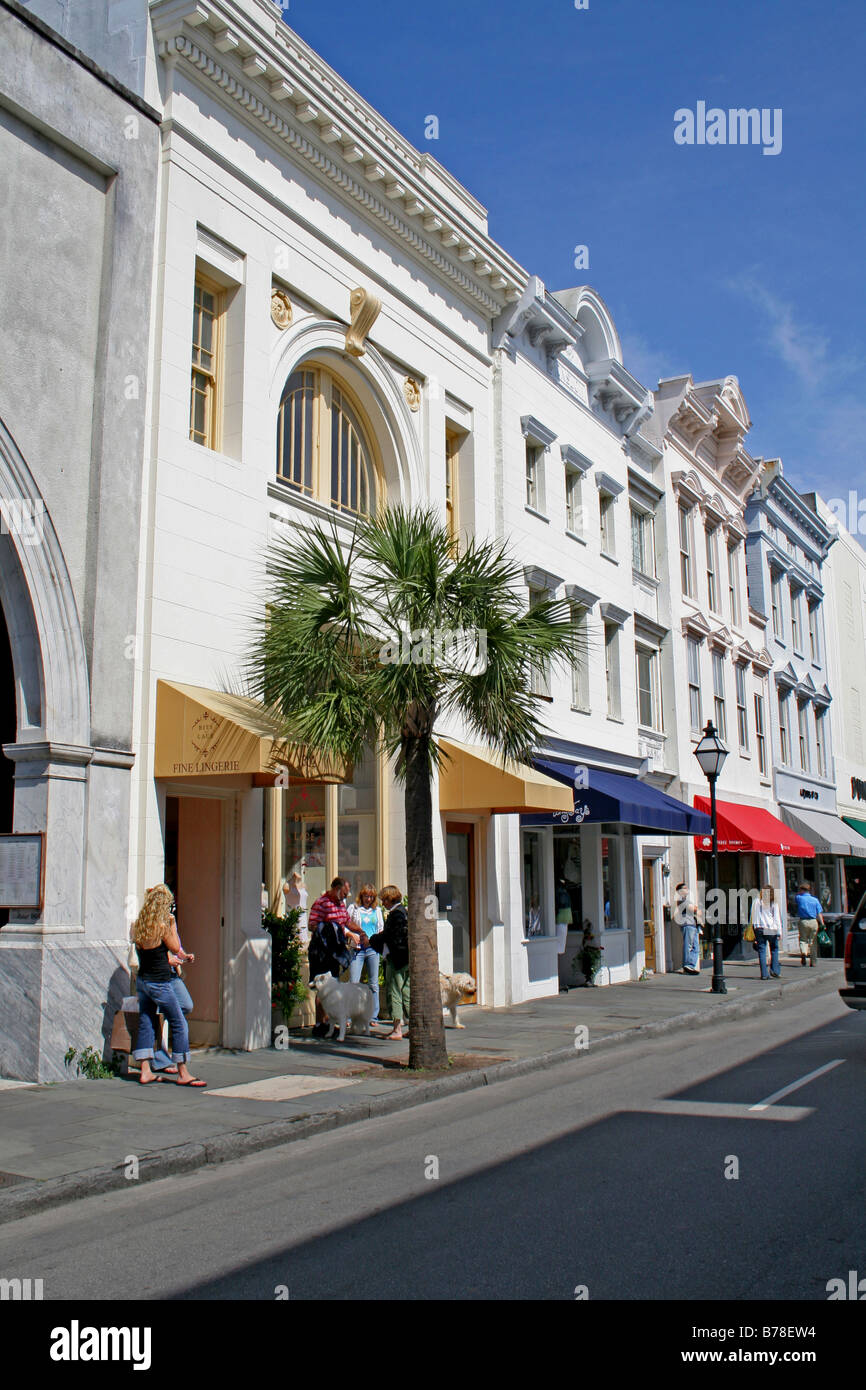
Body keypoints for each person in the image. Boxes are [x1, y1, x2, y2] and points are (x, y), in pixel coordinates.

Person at [131, 884, 205, 1087]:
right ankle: (183, 1072)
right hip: (159, 982)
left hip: (143, 981)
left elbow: (147, 952)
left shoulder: (138, 925)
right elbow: (174, 947)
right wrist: (173, 925)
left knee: (146, 1020)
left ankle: (145, 1070)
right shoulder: (162, 927)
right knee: (179, 1022)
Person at [307, 876, 363, 1038]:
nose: (345, 897)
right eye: (344, 893)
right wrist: (331, 929)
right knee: (322, 986)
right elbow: (312, 924)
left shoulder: (340, 904)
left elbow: (346, 921)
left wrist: (360, 931)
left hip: (335, 952)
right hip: (321, 950)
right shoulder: (321, 902)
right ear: (336, 889)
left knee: (334, 985)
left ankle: (330, 1022)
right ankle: (320, 1023)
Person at [370, 885, 409, 1040]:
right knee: (406, 991)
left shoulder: (396, 915)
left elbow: (390, 935)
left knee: (394, 991)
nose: (383, 903)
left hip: (396, 958)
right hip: (405, 958)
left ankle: (397, 1028)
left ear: (390, 898)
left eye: (384, 899)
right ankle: (412, 1026)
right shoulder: (404, 912)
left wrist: (372, 940)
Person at [348, 884, 384, 1023]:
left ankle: (373, 1016)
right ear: (361, 896)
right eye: (365, 896)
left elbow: (380, 929)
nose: (368, 899)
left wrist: (378, 945)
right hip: (357, 949)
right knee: (354, 982)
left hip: (372, 949)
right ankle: (351, 1015)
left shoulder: (378, 911)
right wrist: (352, 936)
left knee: (373, 984)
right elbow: (346, 924)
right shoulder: (354, 908)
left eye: (371, 897)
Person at [750, 883, 783, 980]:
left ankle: (764, 974)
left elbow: (753, 915)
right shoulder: (773, 903)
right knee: (774, 949)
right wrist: (779, 932)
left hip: (758, 928)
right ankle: (775, 970)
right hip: (770, 928)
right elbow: (777, 918)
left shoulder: (756, 901)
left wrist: (754, 928)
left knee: (762, 950)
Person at [794, 881, 824, 967]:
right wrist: (822, 923)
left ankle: (804, 952)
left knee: (803, 939)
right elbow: (819, 913)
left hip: (803, 921)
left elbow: (796, 898)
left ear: (802, 890)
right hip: (813, 921)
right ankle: (813, 961)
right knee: (813, 941)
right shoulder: (815, 900)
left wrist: (799, 892)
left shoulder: (799, 898)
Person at [675, 882, 702, 974]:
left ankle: (689, 966)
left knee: (696, 948)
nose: (687, 890)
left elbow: (696, 910)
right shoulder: (681, 900)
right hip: (687, 924)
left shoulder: (685, 900)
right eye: (685, 888)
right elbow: (694, 910)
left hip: (692, 925)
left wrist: (696, 909)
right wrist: (696, 909)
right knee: (688, 945)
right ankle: (687, 965)